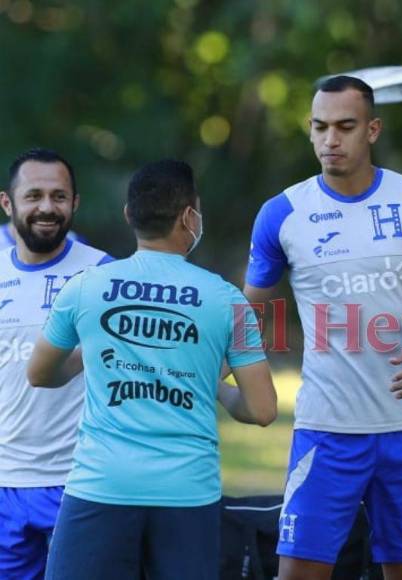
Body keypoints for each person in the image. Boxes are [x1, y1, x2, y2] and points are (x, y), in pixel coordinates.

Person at [244, 75, 402, 580]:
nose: (330, 140)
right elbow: (246, 313)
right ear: (309, 129)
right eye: (320, 127)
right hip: (327, 430)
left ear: (373, 129)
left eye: (345, 127)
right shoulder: (283, 213)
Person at [27, 159, 277, 580]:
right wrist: (211, 385)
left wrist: (93, 351)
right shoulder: (226, 299)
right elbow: (263, 409)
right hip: (187, 492)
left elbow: (39, 374)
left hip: (101, 486)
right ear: (189, 217)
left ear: (129, 215)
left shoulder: (86, 287)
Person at [0, 148, 112, 580]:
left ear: (75, 203)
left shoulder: (105, 275)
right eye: (34, 196)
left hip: (82, 482)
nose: (47, 207)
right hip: (6, 484)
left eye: (59, 196)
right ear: (8, 203)